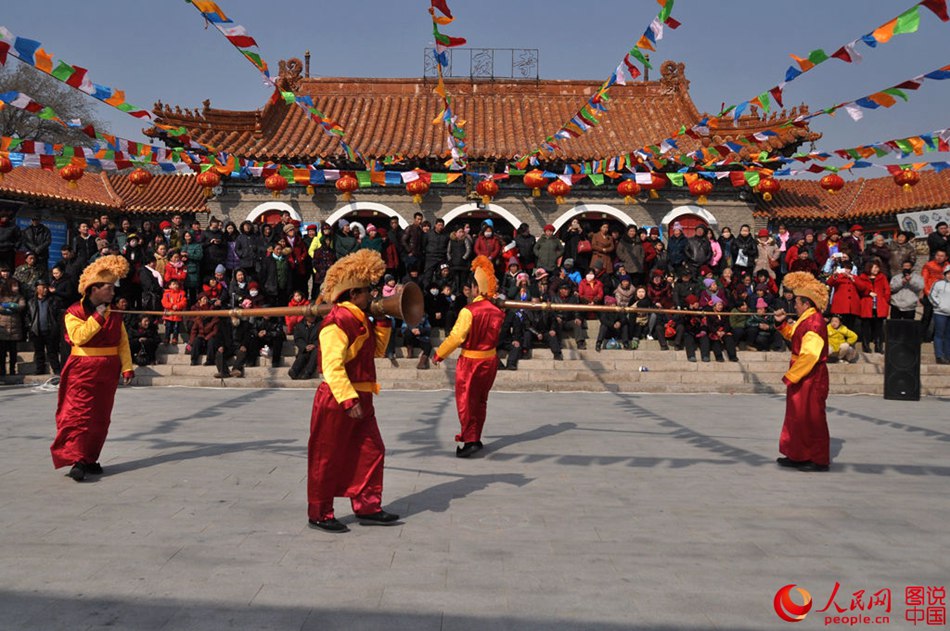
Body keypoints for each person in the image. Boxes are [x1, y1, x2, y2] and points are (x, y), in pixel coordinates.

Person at [307, 249, 398, 533]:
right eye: (368, 291)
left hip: (362, 396)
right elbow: (331, 367)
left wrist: (382, 322)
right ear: (354, 293)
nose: (373, 295)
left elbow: (377, 352)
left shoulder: (361, 319)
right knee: (327, 455)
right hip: (338, 398)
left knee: (372, 450)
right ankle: (320, 512)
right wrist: (348, 399)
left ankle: (368, 505)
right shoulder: (336, 322)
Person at [50, 255, 135, 482]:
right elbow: (79, 337)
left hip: (107, 371)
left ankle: (89, 457)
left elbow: (122, 341)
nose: (113, 292)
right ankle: (76, 459)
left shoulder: (114, 312)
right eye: (109, 287)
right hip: (82, 368)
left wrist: (127, 367)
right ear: (94, 288)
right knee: (79, 414)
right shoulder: (74, 312)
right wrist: (98, 316)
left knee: (100, 417)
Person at [432, 256, 506, 458]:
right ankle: (476, 436)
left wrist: (439, 353)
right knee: (481, 401)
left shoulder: (469, 311)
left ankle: (470, 440)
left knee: (466, 402)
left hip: (471, 362)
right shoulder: (498, 312)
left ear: (475, 288)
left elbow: (457, 337)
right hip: (490, 361)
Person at [773, 272, 831, 472]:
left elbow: (810, 355)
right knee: (797, 416)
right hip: (803, 375)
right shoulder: (805, 319)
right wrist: (781, 323)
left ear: (806, 303)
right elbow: (794, 336)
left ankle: (817, 458)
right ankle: (797, 453)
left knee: (812, 417)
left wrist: (792, 376)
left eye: (797, 302)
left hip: (811, 376)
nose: (794, 305)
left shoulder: (814, 322)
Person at [27, 278, 62, 375]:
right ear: (37, 289)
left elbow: (57, 315)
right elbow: (28, 316)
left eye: (46, 288)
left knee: (52, 352)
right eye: (43, 288)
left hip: (50, 330)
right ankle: (40, 370)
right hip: (36, 330)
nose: (45, 290)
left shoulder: (53, 300)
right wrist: (29, 325)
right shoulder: (31, 302)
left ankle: (57, 370)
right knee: (39, 352)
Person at [929, 264, 950, 364]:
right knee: (939, 334)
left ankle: (948, 355)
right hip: (940, 313)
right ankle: (939, 355)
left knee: (948, 335)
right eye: (948, 273)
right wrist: (938, 305)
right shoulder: (938, 284)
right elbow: (931, 295)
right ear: (945, 274)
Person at [289, 313, 320, 380]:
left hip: (316, 347)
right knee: (303, 354)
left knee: (315, 353)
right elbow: (298, 339)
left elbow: (322, 337)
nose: (312, 318)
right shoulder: (299, 325)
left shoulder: (320, 324)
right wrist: (304, 346)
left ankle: (308, 372)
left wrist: (314, 344)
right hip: (305, 346)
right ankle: (294, 370)